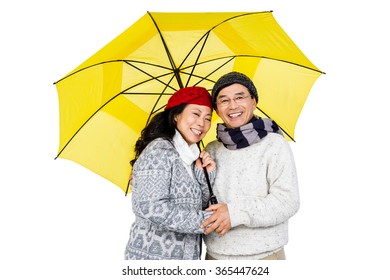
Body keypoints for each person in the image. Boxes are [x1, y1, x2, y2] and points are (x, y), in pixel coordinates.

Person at [201, 72, 300, 260]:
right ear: (216, 109)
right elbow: (197, 202)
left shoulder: (274, 145)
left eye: (240, 97)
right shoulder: (210, 150)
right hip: (215, 257)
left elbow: (287, 201)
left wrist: (235, 213)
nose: (233, 106)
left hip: (265, 257)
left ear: (253, 101)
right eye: (224, 100)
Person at [124, 86, 216, 260]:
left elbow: (195, 206)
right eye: (195, 114)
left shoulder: (191, 156)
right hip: (152, 258)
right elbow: (152, 208)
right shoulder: (159, 150)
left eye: (208, 118)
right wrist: (209, 220)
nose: (201, 123)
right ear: (176, 116)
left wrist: (204, 176)